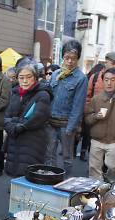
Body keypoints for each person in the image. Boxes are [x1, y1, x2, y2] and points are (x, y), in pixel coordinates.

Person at [3, 64, 53, 177]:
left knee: (29, 176)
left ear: (35, 77)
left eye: (28, 77)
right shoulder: (15, 93)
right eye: (21, 77)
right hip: (14, 140)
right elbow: (6, 116)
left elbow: (36, 118)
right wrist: (10, 124)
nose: (25, 81)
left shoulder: (43, 94)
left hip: (33, 141)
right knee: (14, 175)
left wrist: (15, 124)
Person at [47, 40, 88, 176]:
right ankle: (51, 178)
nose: (70, 61)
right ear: (62, 57)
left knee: (67, 156)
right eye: (67, 58)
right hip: (50, 122)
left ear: (78, 59)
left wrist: (71, 128)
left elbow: (78, 106)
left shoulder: (81, 78)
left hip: (66, 125)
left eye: (73, 59)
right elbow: (49, 97)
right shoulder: (55, 74)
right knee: (49, 153)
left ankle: (66, 181)